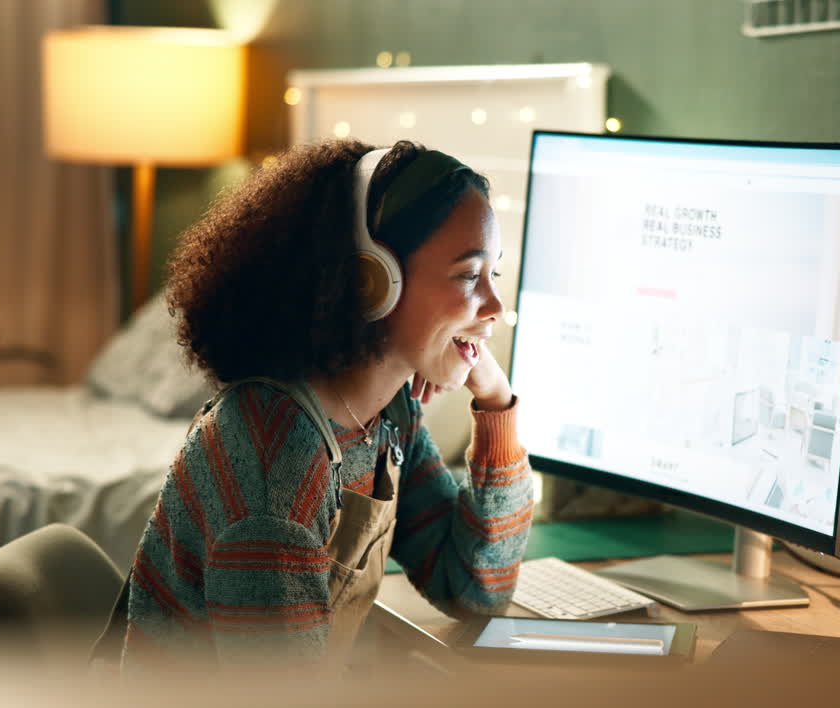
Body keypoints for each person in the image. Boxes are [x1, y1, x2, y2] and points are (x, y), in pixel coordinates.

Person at [118, 139, 533, 674]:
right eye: (467, 275)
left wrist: (496, 401)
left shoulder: (386, 417)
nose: (497, 307)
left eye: (493, 275)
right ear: (372, 280)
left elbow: (473, 590)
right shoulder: (276, 469)